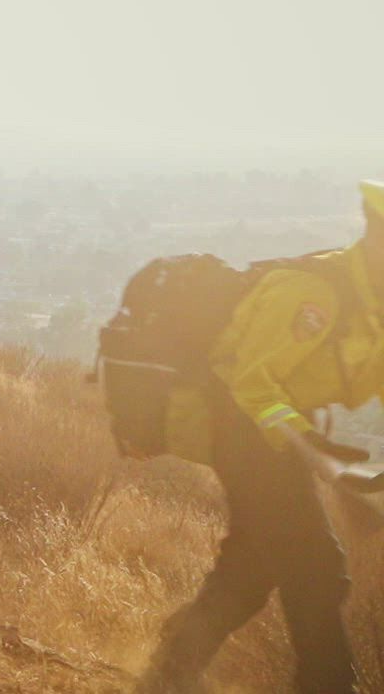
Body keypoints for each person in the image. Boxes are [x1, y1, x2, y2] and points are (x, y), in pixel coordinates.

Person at [140, 180, 384, 694]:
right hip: (240, 425)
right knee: (319, 569)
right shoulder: (312, 294)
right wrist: (316, 454)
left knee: (251, 571)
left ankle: (170, 667)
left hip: (284, 433)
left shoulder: (374, 309)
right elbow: (251, 382)